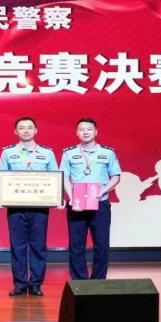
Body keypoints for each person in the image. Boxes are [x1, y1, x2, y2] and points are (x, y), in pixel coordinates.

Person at [0, 117, 58, 296]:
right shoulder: (8, 153)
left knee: (38, 246)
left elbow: (55, 177)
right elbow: (1, 176)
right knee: (18, 246)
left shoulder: (47, 153)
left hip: (40, 207)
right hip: (15, 207)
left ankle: (36, 283)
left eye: (29, 127)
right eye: (22, 128)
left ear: (36, 130)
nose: (26, 130)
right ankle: (20, 283)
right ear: (15, 131)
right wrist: (1, 197)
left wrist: (55, 197)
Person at [61, 118, 121, 280]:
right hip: (76, 204)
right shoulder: (69, 153)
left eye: (89, 129)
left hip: (100, 203)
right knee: (76, 245)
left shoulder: (108, 153)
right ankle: (79, 281)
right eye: (82, 130)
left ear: (96, 132)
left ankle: (98, 281)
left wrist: (102, 191)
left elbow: (115, 177)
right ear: (77, 133)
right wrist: (71, 197)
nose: (85, 132)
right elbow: (64, 177)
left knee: (101, 245)